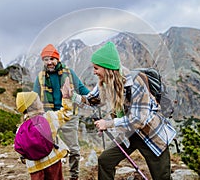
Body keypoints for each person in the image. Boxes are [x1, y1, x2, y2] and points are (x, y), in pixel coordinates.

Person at [83, 42, 177, 180]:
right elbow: (92, 100)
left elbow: (138, 119)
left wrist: (108, 124)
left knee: (162, 176)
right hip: (129, 133)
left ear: (107, 69)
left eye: (96, 68)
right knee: (105, 160)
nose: (94, 72)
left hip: (150, 134)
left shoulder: (136, 82)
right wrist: (72, 96)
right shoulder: (106, 83)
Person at [33, 44, 90, 180]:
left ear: (57, 59)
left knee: (74, 150)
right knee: (48, 149)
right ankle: (53, 176)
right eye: (46, 59)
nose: (49, 62)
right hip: (50, 117)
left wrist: (94, 98)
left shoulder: (69, 73)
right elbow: (34, 97)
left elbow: (82, 89)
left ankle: (74, 176)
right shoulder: (40, 77)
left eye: (52, 59)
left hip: (69, 115)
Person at [15, 89, 73, 180]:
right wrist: (66, 98)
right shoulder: (49, 117)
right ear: (34, 104)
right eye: (38, 100)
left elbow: (20, 150)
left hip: (34, 167)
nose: (41, 102)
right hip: (53, 160)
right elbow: (67, 114)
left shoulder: (20, 129)